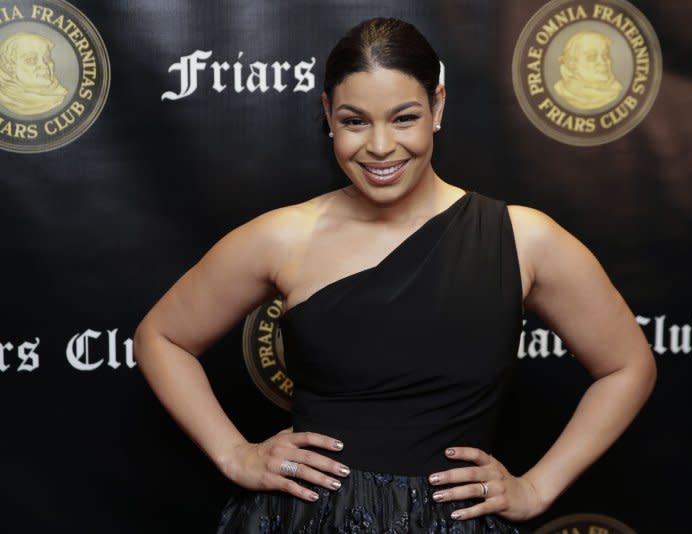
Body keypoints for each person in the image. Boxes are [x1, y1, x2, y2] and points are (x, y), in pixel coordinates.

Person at [133, 17, 656, 533]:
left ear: (438, 107)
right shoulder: (282, 236)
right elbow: (163, 337)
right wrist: (233, 453)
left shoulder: (523, 239)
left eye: (403, 118)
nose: (380, 147)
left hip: (450, 524)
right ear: (328, 116)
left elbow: (627, 366)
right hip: (307, 520)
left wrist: (538, 487)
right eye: (356, 121)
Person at [553, 31, 623, 111]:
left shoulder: (616, 89)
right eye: (591, 57)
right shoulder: (562, 91)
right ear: (572, 64)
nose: (603, 62)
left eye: (605, 55)